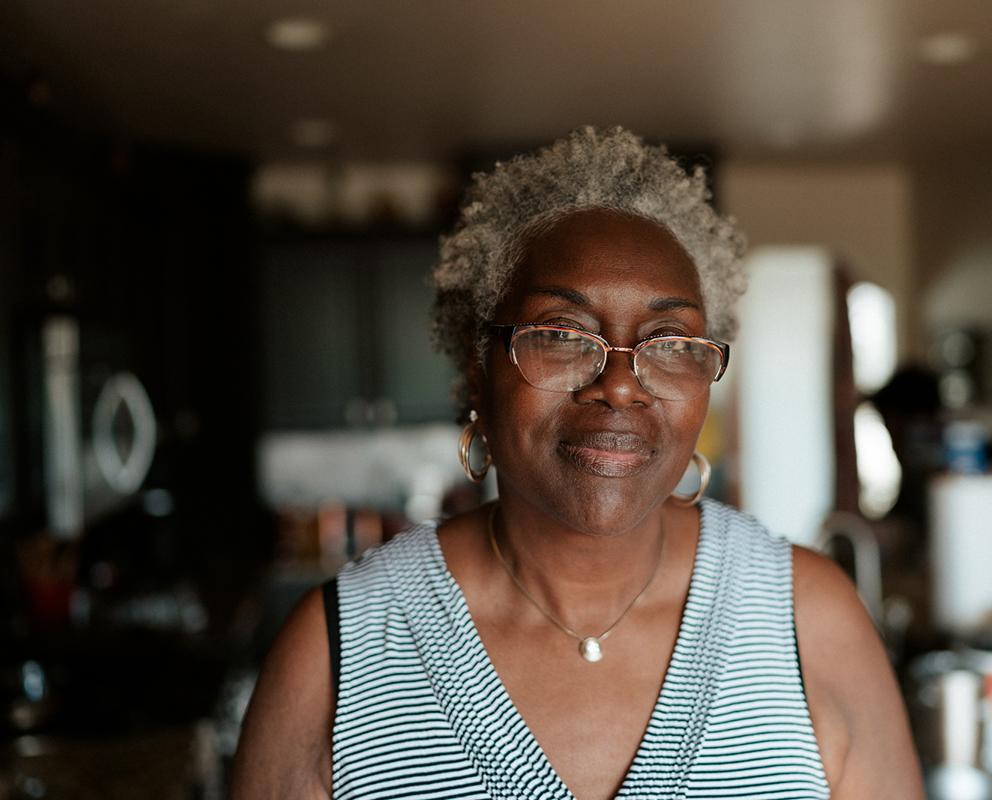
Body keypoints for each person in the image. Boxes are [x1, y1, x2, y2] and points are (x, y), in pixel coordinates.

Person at [229, 127, 923, 800]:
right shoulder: (336, 655)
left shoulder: (812, 621)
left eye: (669, 341)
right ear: (479, 368)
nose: (620, 385)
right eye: (563, 335)